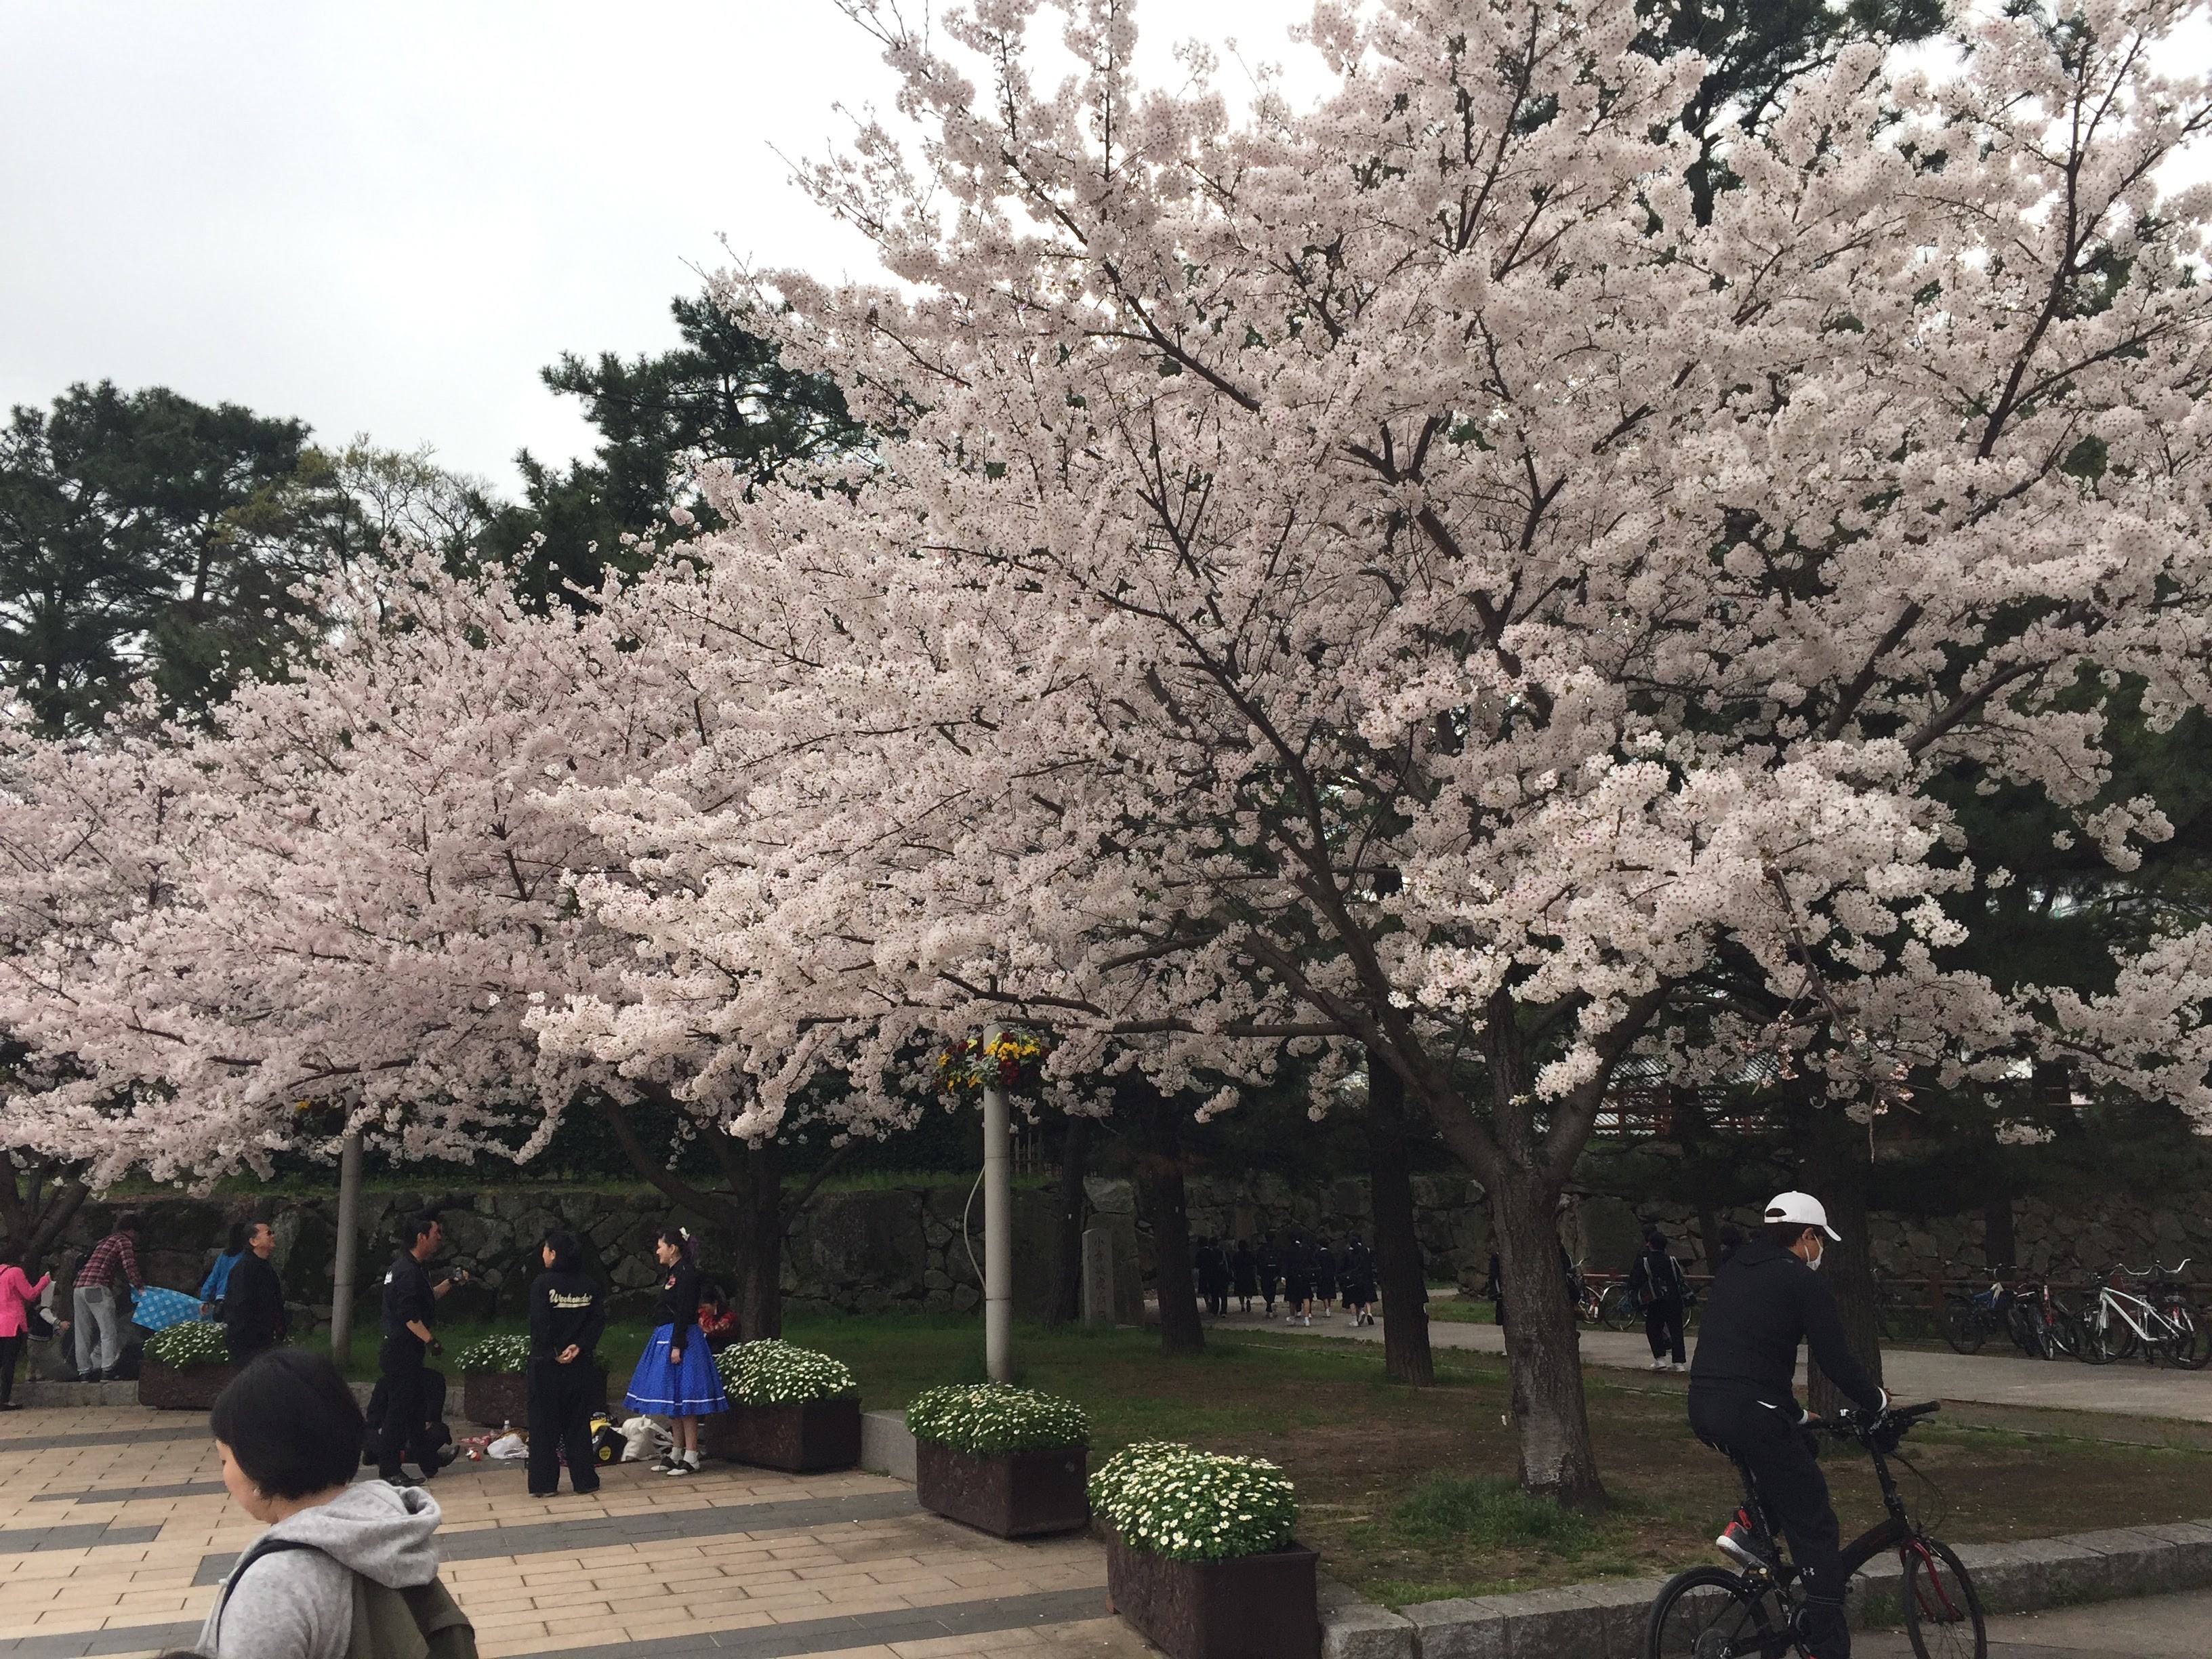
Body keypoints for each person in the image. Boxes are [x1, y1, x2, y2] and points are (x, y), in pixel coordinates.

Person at [1689, 1191, 1887, 1659]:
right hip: (1753, 1409)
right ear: (1806, 1237)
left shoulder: (1735, 1269)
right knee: (1814, 1519)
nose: (1821, 1250)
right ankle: (1825, 1639)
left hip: (1708, 1404)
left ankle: (1749, 1528)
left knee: (1800, 1448)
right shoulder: (1800, 1280)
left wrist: (1799, 1415)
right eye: (1820, 1240)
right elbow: (1836, 1359)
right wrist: (1876, 1400)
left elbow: (1748, 1353)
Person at [196, 1349, 472, 1659]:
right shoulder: (393, 1528)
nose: (224, 1474)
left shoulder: (274, 1586)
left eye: (224, 1459)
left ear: (259, 1464)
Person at [372, 1214, 468, 1488]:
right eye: (436, 1232)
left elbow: (426, 1298)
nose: (440, 1237)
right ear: (421, 1237)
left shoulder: (414, 1267)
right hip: (401, 1348)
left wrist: (451, 1281)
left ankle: (428, 1460)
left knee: (414, 1408)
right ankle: (389, 1469)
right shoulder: (406, 1271)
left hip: (406, 1349)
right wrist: (431, 1340)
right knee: (398, 1411)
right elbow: (408, 1315)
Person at [623, 1227, 727, 1476]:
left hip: (681, 1337)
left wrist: (678, 1344)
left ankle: (692, 1454)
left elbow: (684, 1311)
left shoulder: (687, 1274)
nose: (657, 1250)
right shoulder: (674, 1273)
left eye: (661, 1246)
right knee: (672, 1398)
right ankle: (677, 1451)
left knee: (685, 1397)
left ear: (673, 1248)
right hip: (667, 1335)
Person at [527, 1231, 606, 1499]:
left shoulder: (542, 1284)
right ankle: (585, 1479)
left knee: (543, 1425)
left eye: (546, 1250)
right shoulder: (590, 1286)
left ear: (555, 1254)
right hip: (580, 1364)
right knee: (577, 1422)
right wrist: (579, 1345)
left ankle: (544, 1483)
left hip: (547, 1365)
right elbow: (597, 1321)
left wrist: (554, 1352)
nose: (543, 1254)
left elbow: (540, 1323)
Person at [73, 1210, 146, 1381]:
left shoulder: (104, 1241)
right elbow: (130, 1265)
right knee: (108, 1331)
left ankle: (84, 1372)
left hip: (79, 1288)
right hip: (97, 1288)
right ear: (132, 1230)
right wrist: (140, 1287)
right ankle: (108, 1370)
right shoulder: (123, 1241)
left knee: (82, 1332)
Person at [223, 1222, 289, 1364]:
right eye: (268, 1233)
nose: (273, 1236)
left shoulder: (264, 1267)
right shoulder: (245, 1269)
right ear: (253, 1241)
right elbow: (239, 1306)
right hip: (249, 1344)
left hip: (264, 1340)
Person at [1629, 1229, 1689, 1372]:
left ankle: (1660, 1359)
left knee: (1653, 1328)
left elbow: (1636, 1280)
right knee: (1676, 1330)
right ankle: (1679, 1362)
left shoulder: (1645, 1261)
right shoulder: (1672, 1260)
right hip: (1674, 1299)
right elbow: (1679, 1278)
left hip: (1656, 1300)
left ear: (1650, 1244)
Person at [0, 1250, 52, 1410]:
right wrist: (45, 1281)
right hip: (12, 1324)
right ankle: (4, 1399)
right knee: (9, 1363)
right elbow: (30, 1294)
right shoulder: (15, 1272)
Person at [201, 1222, 250, 1319]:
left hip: (220, 1300)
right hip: (239, 1300)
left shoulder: (224, 1256)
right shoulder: (247, 1256)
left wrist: (204, 1299)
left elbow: (213, 1278)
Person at [1342, 1233, 1375, 1326]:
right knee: (1366, 1297)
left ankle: (1357, 1317)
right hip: (1366, 1277)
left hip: (1352, 1278)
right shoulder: (1365, 1251)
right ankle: (1369, 1313)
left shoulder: (1348, 1254)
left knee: (1352, 1299)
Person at [695, 1282, 741, 1348]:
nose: (704, 1310)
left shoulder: (729, 1317)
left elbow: (716, 1329)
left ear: (715, 1303)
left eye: (706, 1307)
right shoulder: (703, 1314)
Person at [1282, 1233, 1314, 1326]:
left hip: (1293, 1276)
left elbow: (1286, 1264)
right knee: (1306, 1297)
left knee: (1292, 1298)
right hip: (1304, 1275)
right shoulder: (1306, 1249)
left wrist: (1283, 1276)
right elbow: (1311, 1261)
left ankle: (1292, 1318)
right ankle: (1306, 1318)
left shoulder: (1289, 1250)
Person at [1310, 1237, 1338, 1319]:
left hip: (1322, 1275)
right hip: (1330, 1275)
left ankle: (1327, 1309)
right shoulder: (1330, 1254)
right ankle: (1328, 1307)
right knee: (1329, 1292)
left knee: (1324, 1293)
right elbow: (1334, 1265)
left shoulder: (1318, 1254)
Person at [1256, 1234, 1281, 1318]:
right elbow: (1280, 1262)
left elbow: (1258, 1262)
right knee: (1272, 1289)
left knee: (1265, 1290)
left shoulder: (1262, 1249)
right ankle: (1270, 1306)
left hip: (1264, 1272)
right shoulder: (1277, 1249)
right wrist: (1279, 1274)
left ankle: (1270, 1304)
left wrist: (1258, 1273)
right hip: (1274, 1272)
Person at [1229, 1238, 1258, 1313]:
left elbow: (1233, 1266)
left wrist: (1234, 1274)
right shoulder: (1251, 1254)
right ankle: (1249, 1299)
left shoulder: (1236, 1255)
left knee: (1240, 1291)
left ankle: (1242, 1305)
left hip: (1240, 1274)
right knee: (1250, 1290)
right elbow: (1255, 1264)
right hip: (1249, 1274)